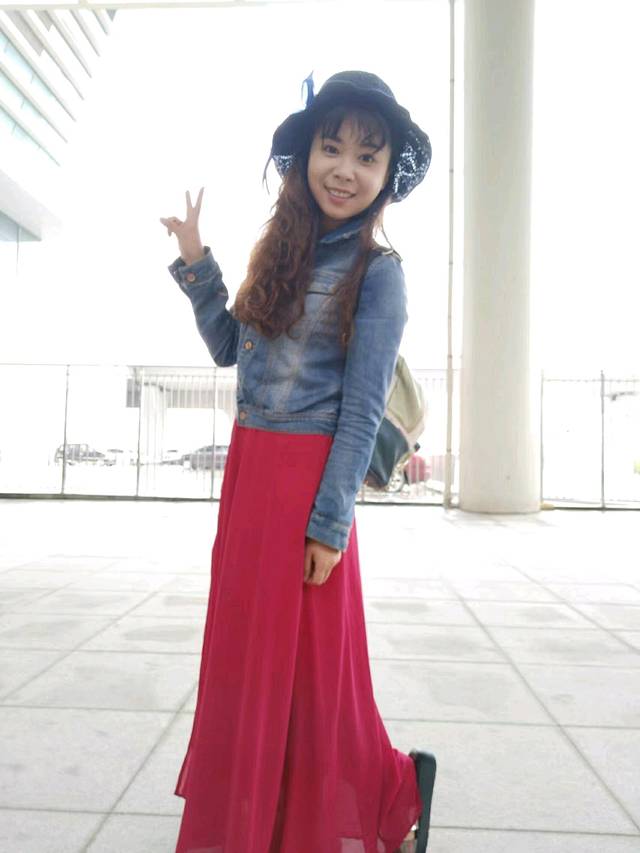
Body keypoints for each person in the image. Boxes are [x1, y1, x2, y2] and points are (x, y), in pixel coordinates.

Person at [160, 70, 437, 853]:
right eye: (331, 148)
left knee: (316, 678)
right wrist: (197, 263)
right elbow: (229, 347)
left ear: (386, 176)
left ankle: (391, 789)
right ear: (306, 156)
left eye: (367, 157)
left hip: (308, 488)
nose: (345, 169)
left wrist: (329, 524)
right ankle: (265, 815)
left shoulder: (380, 274)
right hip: (250, 474)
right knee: (248, 665)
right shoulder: (280, 249)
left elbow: (362, 408)